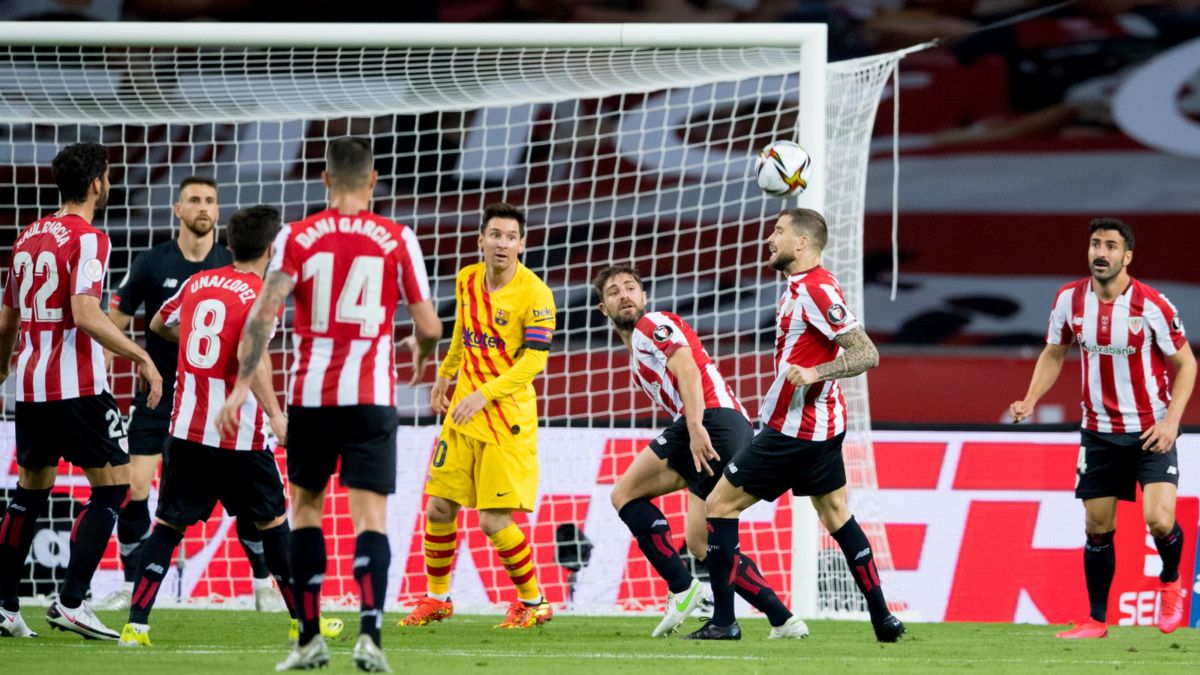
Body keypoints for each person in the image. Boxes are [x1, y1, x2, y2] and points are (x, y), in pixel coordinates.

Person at [216, 137, 441, 672]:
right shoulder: (396, 237)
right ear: (372, 180)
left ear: (323, 179)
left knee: (307, 512)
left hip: (312, 399)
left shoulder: (296, 236)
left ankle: (309, 640)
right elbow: (430, 326)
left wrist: (243, 387)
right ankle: (370, 639)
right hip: (371, 398)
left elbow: (263, 316)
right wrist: (421, 355)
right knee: (371, 519)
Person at [116, 205, 344, 646]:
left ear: (230, 244)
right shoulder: (261, 295)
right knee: (275, 525)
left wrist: (196, 346)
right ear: (272, 248)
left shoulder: (198, 282)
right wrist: (278, 415)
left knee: (167, 526)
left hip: (186, 431)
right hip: (239, 436)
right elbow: (250, 358)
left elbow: (161, 322)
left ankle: (136, 624)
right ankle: (304, 621)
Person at [690, 208, 904, 642]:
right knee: (835, 513)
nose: (770, 238)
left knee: (718, 506)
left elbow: (867, 354)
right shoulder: (807, 286)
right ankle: (883, 619)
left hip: (794, 431)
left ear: (803, 243)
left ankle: (725, 622)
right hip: (824, 427)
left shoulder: (816, 291)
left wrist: (815, 374)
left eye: (779, 231)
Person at [593, 263, 810, 639]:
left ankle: (681, 586)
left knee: (624, 494)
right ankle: (777, 618)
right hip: (734, 426)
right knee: (701, 540)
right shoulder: (637, 356)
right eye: (614, 292)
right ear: (603, 309)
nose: (624, 295)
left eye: (631, 287)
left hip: (711, 421)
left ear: (644, 297)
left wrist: (694, 427)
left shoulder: (651, 325)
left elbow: (687, 368)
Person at [0, 142, 162, 640]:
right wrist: (143, 357)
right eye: (108, 177)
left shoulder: (28, 236)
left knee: (30, 492)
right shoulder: (89, 237)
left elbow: (8, 318)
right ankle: (71, 602)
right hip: (77, 384)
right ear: (96, 183)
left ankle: (5, 606)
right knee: (113, 486)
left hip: (29, 383)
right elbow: (88, 313)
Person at [1009, 217, 1196, 638]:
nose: (1101, 252)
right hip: (1097, 432)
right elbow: (1054, 352)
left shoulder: (1152, 304)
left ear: (1127, 256)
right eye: (1096, 244)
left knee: (1160, 520)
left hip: (1150, 430)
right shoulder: (1069, 300)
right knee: (1097, 526)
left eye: (1111, 246)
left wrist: (1172, 421)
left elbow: (1186, 364)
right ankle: (1096, 620)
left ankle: (1170, 581)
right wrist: (1031, 399)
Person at [100, 176, 281, 612]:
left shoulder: (226, 264)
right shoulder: (151, 263)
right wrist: (128, 361)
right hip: (159, 397)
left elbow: (169, 325)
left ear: (220, 214)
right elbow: (114, 320)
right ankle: (130, 584)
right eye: (194, 200)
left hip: (206, 402)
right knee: (136, 487)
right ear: (177, 210)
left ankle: (260, 584)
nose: (203, 207)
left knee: (232, 508)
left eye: (211, 201)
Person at [399, 202, 556, 631]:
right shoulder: (467, 278)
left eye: (511, 237)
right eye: (496, 235)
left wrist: (484, 394)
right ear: (481, 239)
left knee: (492, 521)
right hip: (464, 412)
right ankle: (437, 598)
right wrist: (445, 375)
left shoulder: (536, 293)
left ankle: (533, 601)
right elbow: (462, 332)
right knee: (438, 507)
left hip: (507, 418)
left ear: (522, 244)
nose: (503, 243)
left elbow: (534, 361)